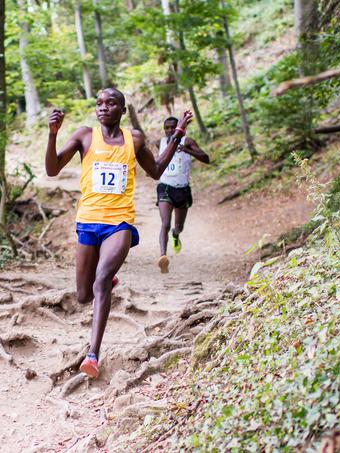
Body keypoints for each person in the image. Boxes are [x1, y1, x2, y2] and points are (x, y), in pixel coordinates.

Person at [46, 88, 193, 378]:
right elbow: (52, 170)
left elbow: (157, 171)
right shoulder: (85, 136)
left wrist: (177, 134)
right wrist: (52, 134)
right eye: (99, 103)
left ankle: (92, 355)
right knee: (84, 295)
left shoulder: (133, 139)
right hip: (88, 222)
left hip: (119, 223)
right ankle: (107, 278)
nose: (103, 108)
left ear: (122, 110)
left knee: (100, 282)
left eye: (111, 103)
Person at [156, 116, 210, 273]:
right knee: (165, 223)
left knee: (178, 226)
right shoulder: (159, 143)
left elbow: (206, 159)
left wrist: (186, 150)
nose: (170, 130)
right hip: (165, 187)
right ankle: (163, 256)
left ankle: (175, 234)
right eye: (166, 128)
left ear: (180, 128)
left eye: (173, 127)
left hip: (182, 190)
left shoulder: (187, 141)